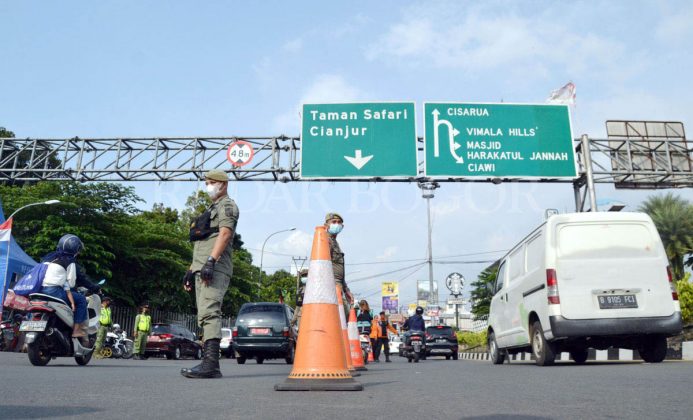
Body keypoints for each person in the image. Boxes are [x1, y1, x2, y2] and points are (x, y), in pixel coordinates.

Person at [181, 169, 239, 379]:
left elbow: (225, 234)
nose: (208, 186)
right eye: (206, 183)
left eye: (212, 182)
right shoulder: (212, 208)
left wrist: (211, 261)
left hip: (215, 267)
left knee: (210, 312)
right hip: (202, 266)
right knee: (204, 314)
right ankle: (208, 362)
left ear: (224, 184)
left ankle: (211, 364)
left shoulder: (227, 206)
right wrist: (191, 270)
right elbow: (204, 242)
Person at [39, 234, 96, 346]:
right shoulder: (69, 260)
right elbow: (71, 283)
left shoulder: (49, 258)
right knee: (81, 299)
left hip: (40, 290)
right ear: (75, 249)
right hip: (55, 291)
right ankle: (77, 330)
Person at [324, 213, 353, 316]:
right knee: (342, 316)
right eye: (334, 222)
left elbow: (339, 271)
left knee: (343, 316)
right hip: (331, 286)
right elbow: (324, 267)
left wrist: (346, 290)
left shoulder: (335, 242)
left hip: (338, 286)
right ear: (326, 225)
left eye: (339, 222)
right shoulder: (326, 241)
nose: (337, 224)